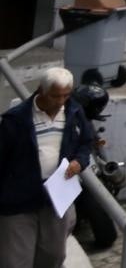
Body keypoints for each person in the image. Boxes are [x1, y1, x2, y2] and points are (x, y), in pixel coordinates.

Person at [1, 66, 93, 268]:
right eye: (55, 96)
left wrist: (79, 161)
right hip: (19, 201)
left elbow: (86, 143)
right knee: (15, 260)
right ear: (41, 90)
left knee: (54, 255)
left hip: (56, 198)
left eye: (65, 95)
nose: (60, 101)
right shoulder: (15, 120)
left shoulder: (75, 112)